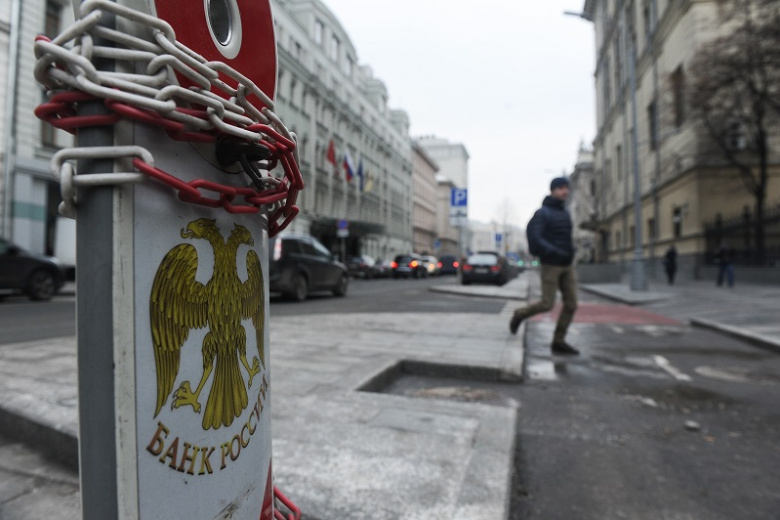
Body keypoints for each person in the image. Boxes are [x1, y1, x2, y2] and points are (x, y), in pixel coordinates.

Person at [509, 177, 579, 355]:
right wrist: (554, 251)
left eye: (567, 188)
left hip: (567, 264)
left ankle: (558, 341)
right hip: (551, 264)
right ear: (553, 190)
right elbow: (535, 238)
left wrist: (571, 250)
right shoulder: (543, 213)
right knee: (547, 304)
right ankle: (519, 314)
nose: (565, 191)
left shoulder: (565, 212)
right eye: (561, 188)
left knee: (571, 304)